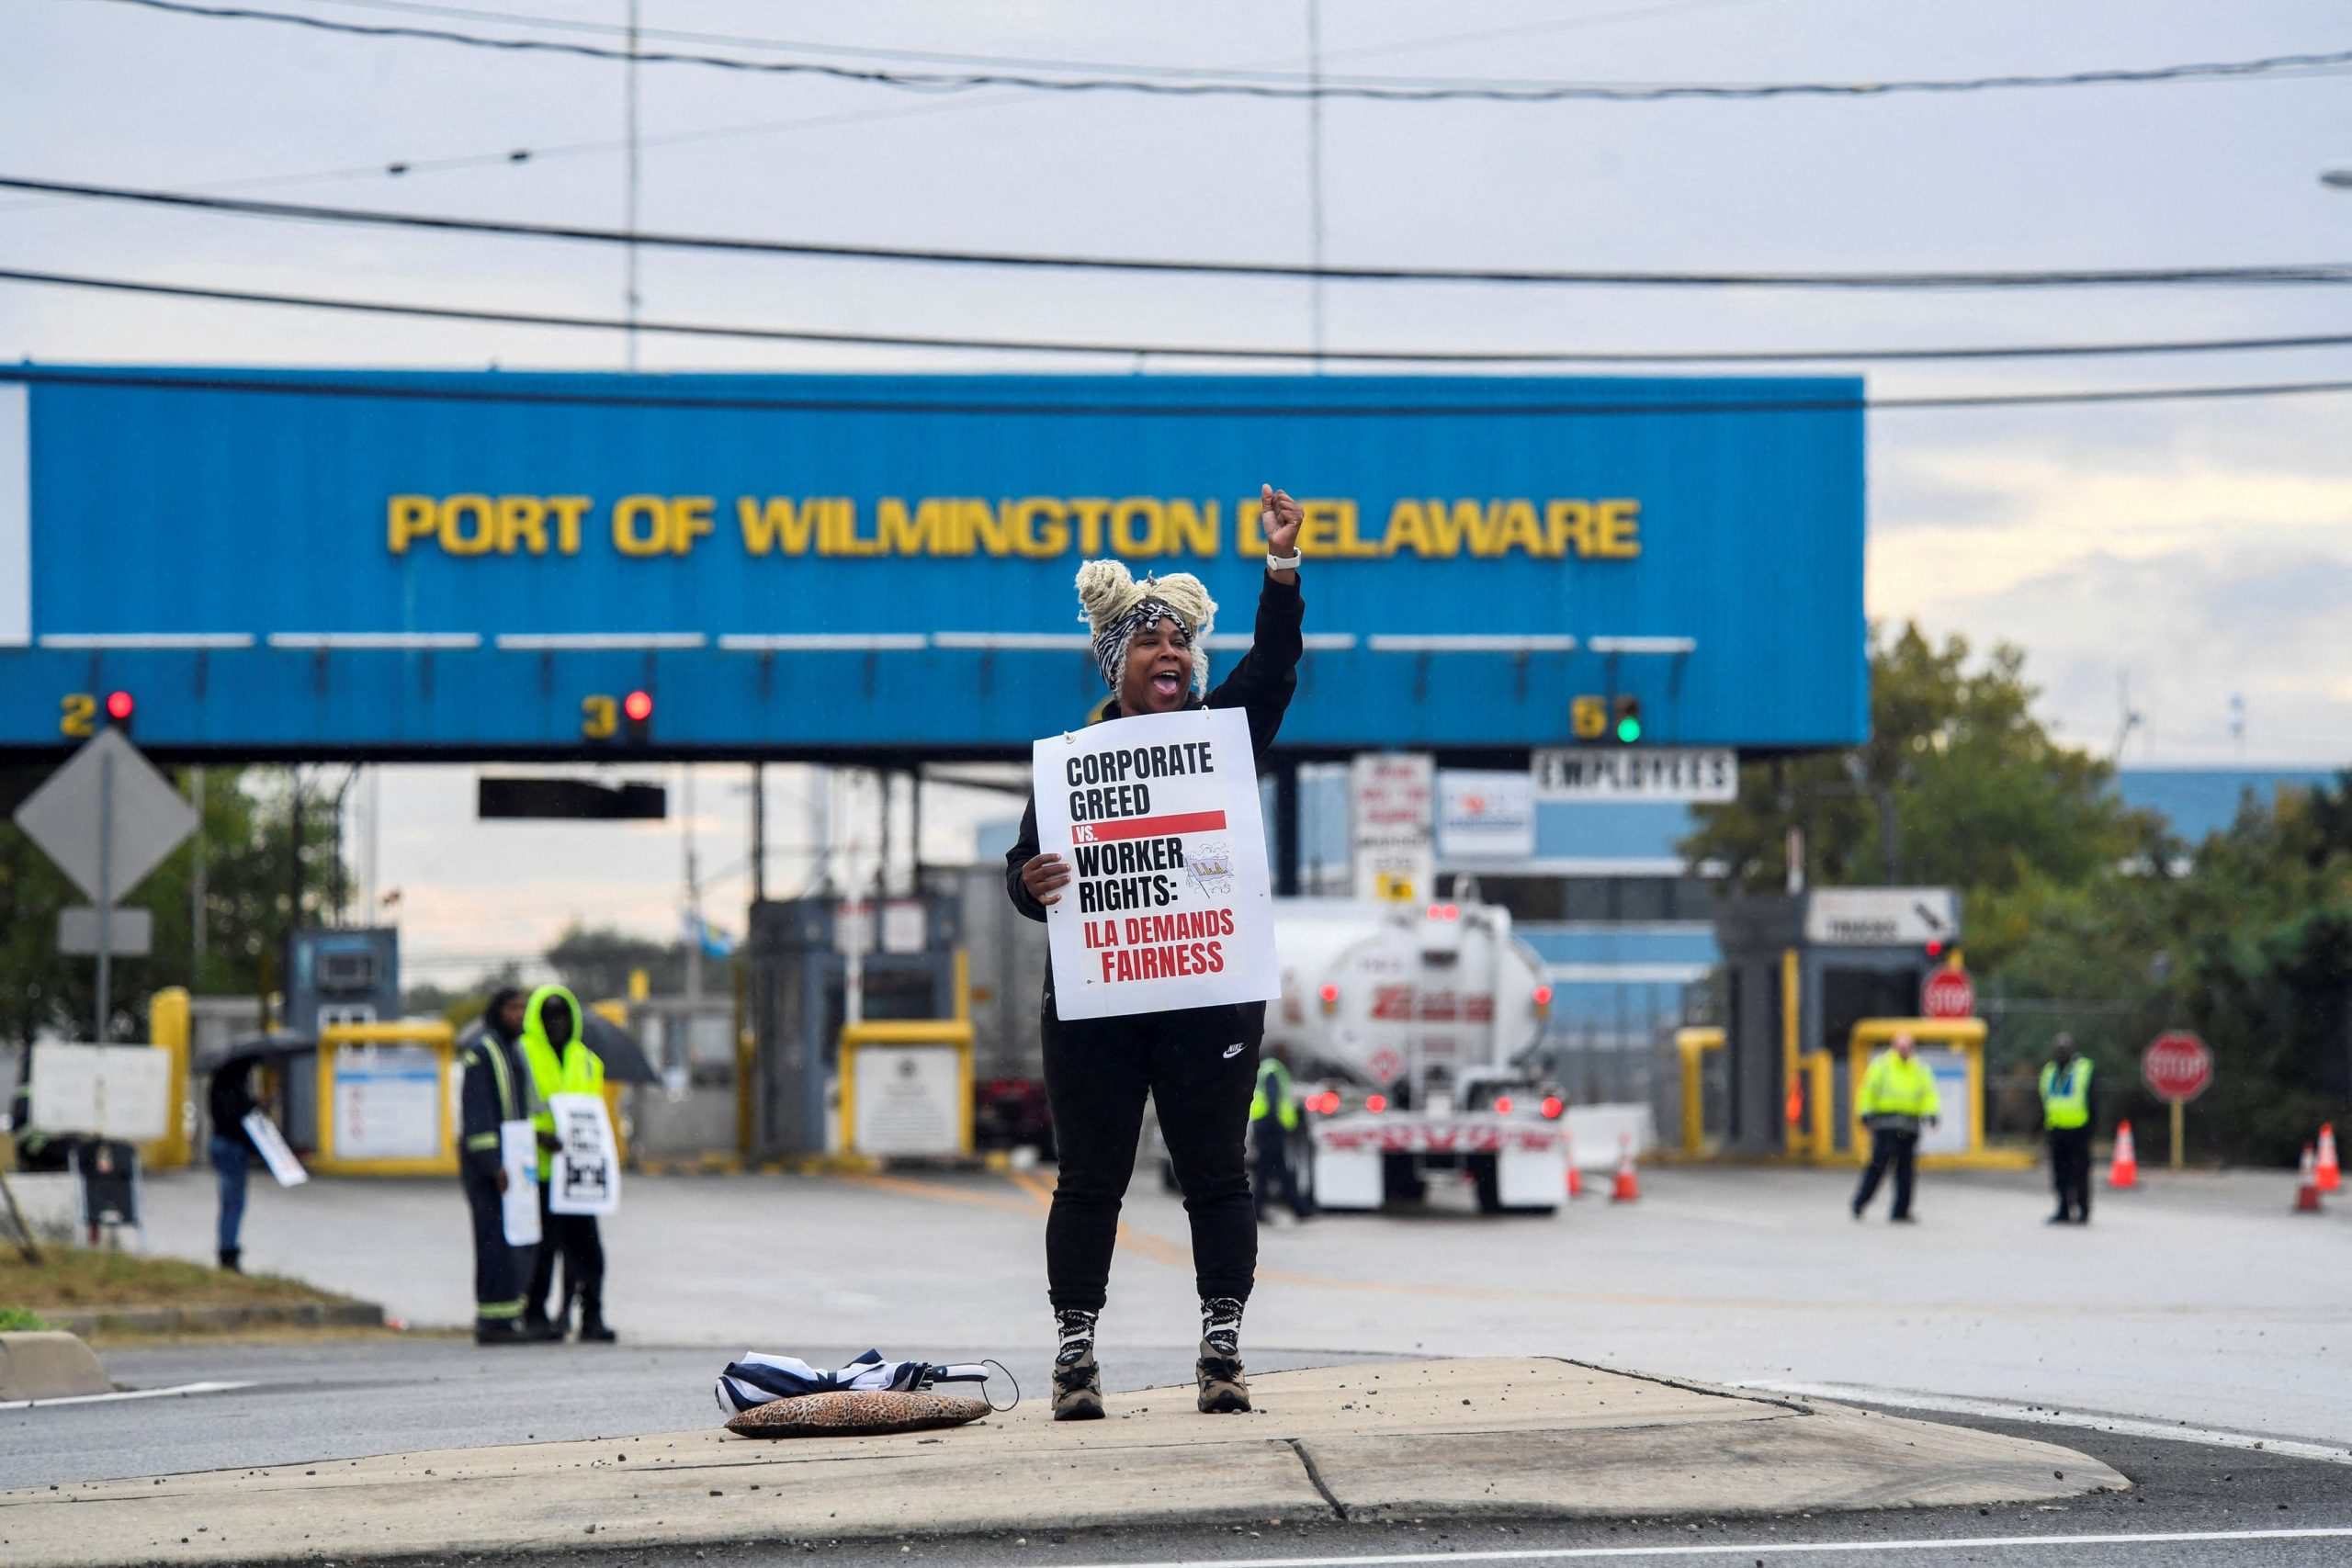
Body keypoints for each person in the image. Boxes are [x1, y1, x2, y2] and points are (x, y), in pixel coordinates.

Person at [1007, 483, 1306, 1421]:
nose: (1170, 650)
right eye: (1149, 639)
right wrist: (1032, 883)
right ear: (1116, 663)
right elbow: (1021, 867)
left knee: (1216, 1173)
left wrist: (1281, 565)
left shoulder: (1221, 738)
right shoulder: (1071, 762)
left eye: (1180, 639)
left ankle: (1221, 1351)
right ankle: (1075, 1355)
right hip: (1096, 1002)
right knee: (1088, 1180)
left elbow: (1279, 663)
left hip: (1207, 996)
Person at [518, 984, 615, 1343]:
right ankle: (537, 1314)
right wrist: (537, 1136)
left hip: (577, 1175)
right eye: (549, 1016)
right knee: (542, 1251)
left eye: (562, 1015)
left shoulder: (588, 1060)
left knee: (588, 1251)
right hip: (539, 1171)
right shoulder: (522, 1055)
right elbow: (513, 1113)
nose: (556, 1022)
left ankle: (591, 1315)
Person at [459, 988, 540, 1343]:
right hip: (490, 1168)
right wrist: (493, 1164)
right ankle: (491, 1322)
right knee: (494, 1243)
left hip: (513, 1164)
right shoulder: (483, 1052)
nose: (519, 1014)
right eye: (513, 1008)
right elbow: (478, 1115)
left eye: (523, 1008)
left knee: (513, 1243)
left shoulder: (512, 1051)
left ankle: (509, 1317)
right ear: (497, 1012)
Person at [1851, 1031, 1939, 1224]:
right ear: (1894, 1046)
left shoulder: (1919, 1069)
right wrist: (1865, 1113)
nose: (1904, 1050)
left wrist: (1932, 1113)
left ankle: (1900, 1210)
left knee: (1905, 1171)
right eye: (1901, 1046)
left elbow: (1928, 1094)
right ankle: (1860, 1202)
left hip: (1909, 1126)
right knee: (1878, 1167)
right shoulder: (1882, 1067)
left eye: (1908, 1047)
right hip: (1885, 1125)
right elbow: (1868, 1091)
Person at [206, 1055, 261, 1272]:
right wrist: (255, 1104)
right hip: (233, 1147)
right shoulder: (234, 1087)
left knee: (229, 1201)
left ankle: (227, 1246)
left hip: (218, 1142)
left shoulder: (216, 1084)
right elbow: (238, 1118)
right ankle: (228, 1250)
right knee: (234, 1201)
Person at [2040, 1032, 2097, 1224]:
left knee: (2080, 1173)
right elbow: (2045, 1101)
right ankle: (2063, 1209)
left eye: (2064, 1049)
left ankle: (2083, 1210)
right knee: (2060, 1174)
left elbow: (2093, 1100)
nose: (2061, 1053)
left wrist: (2091, 1128)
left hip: (2078, 1131)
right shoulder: (2049, 1071)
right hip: (2056, 1130)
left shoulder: (2084, 1069)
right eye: (2059, 1049)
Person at [1250, 1047, 1310, 1224]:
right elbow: (1273, 1099)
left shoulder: (1266, 1068)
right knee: (1272, 1170)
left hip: (1265, 1127)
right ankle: (1297, 1208)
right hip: (1271, 1128)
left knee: (1270, 1170)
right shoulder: (1273, 1069)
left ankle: (1296, 1208)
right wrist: (1278, 1124)